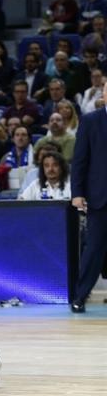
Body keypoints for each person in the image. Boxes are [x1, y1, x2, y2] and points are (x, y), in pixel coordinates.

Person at [70, 81, 107, 313]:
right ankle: (80, 296)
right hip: (100, 197)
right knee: (93, 249)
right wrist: (77, 193)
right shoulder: (92, 120)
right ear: (104, 93)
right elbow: (80, 161)